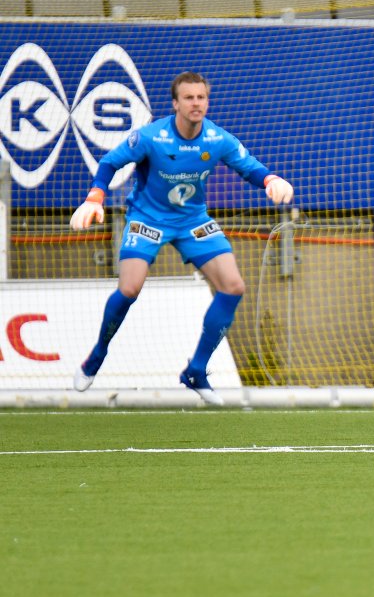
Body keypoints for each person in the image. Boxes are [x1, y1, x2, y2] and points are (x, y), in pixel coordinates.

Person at [70, 72, 295, 405]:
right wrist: (95, 198)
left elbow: (247, 166)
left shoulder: (216, 138)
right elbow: (109, 162)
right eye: (189, 98)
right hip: (147, 219)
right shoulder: (151, 136)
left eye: (201, 97)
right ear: (175, 104)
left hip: (192, 221)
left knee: (233, 287)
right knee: (129, 289)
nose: (196, 103)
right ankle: (97, 355)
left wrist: (270, 180)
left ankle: (196, 370)